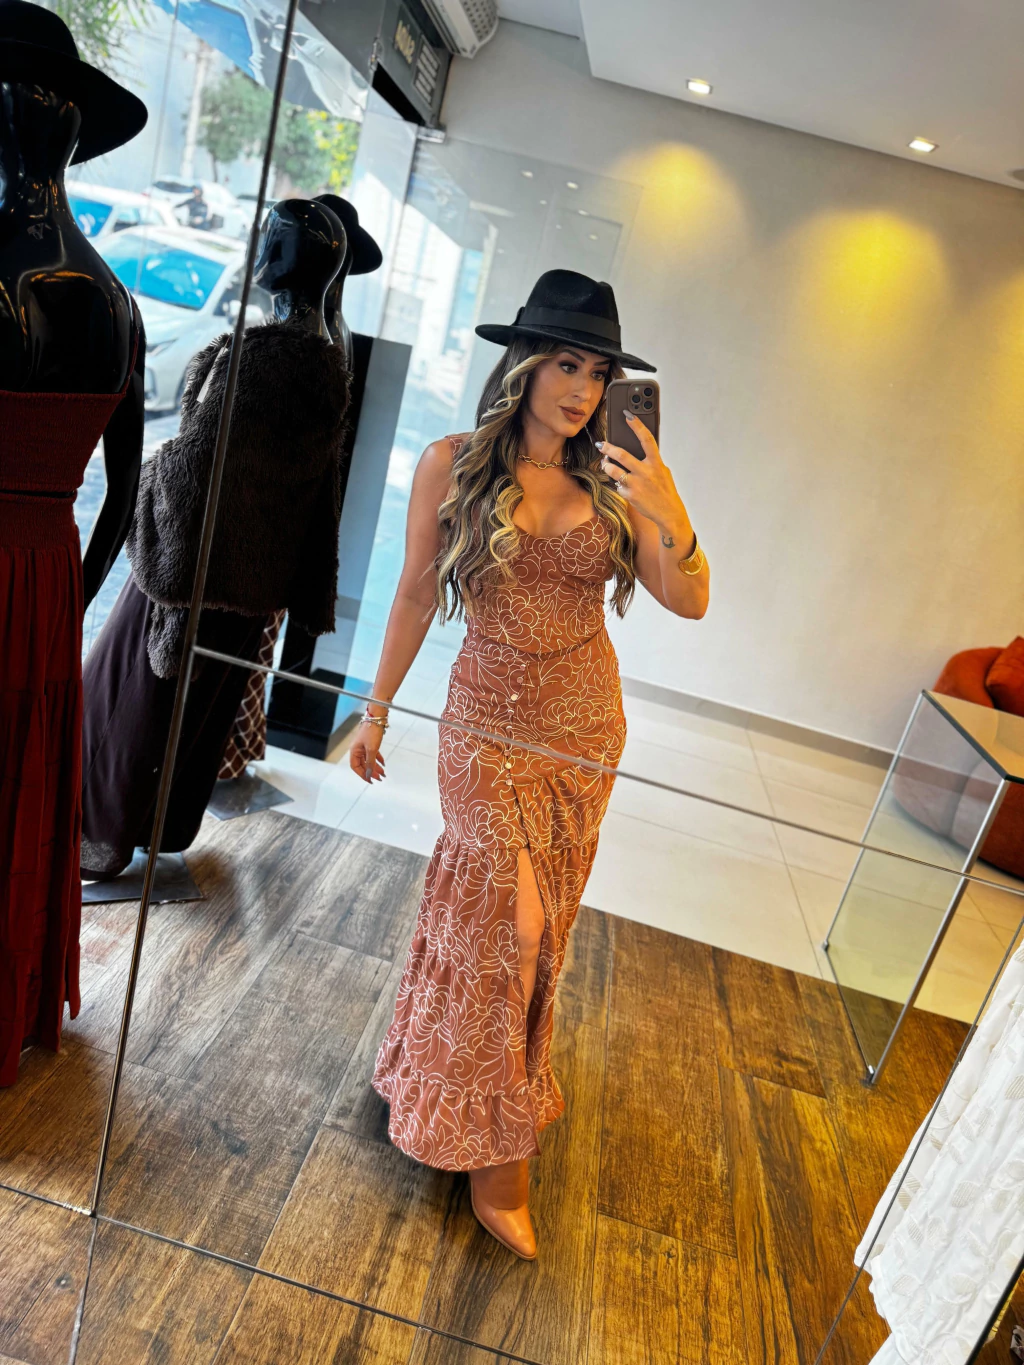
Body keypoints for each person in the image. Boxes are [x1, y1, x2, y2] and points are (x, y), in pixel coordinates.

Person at [351, 269, 709, 1259]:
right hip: (483, 725)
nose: (584, 390)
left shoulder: (617, 478)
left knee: (532, 930)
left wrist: (667, 501)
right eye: (566, 364)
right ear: (523, 365)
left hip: (581, 732)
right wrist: (374, 710)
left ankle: (445, 1081)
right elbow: (414, 593)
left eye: (598, 373)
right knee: (508, 925)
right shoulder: (453, 463)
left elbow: (689, 600)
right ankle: (496, 1156)